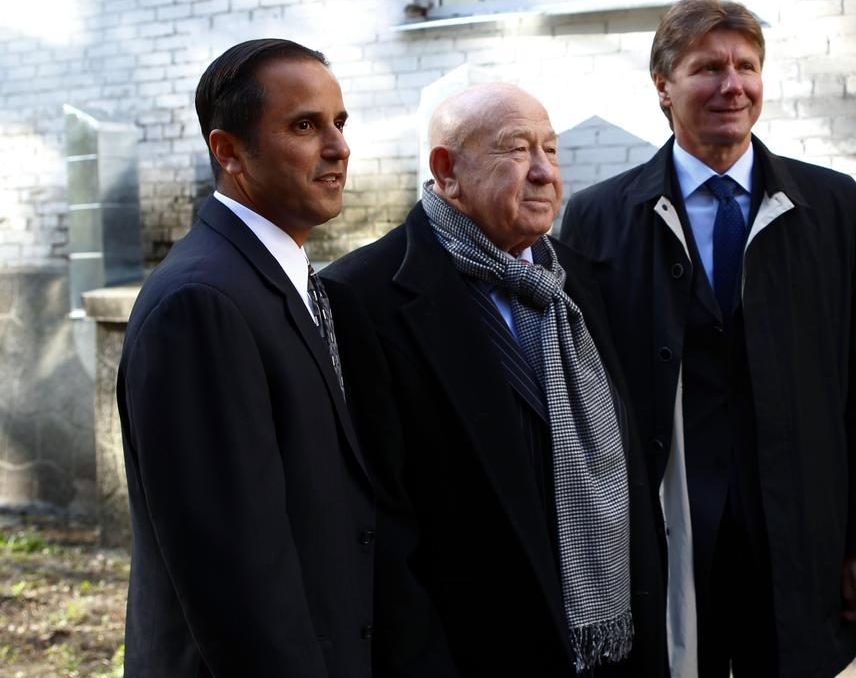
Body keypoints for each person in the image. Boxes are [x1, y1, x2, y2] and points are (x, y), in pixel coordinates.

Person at [558, 0, 856, 678]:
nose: (732, 85)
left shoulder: (831, 206)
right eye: (707, 67)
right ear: (663, 85)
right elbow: (583, 396)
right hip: (665, 533)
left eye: (746, 66)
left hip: (798, 529)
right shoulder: (599, 217)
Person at [321, 83, 666, 677]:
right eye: (516, 151)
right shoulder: (363, 297)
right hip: (477, 650)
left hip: (611, 644)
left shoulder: (578, 283)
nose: (543, 173)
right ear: (446, 170)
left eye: (551, 151)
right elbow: (380, 525)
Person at [116, 39, 376, 676]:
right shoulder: (201, 303)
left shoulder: (280, 278)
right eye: (304, 125)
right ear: (228, 151)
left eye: (339, 123)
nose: (338, 147)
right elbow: (234, 578)